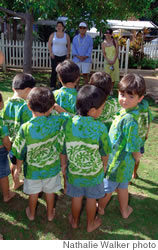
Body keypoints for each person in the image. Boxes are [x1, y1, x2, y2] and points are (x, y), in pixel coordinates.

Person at [61, 85, 111, 232]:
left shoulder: (69, 124)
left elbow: (63, 149)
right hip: (93, 172)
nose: (102, 111)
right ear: (93, 111)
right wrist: (104, 165)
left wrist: (63, 166)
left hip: (75, 170)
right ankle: (90, 224)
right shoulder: (100, 127)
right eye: (102, 108)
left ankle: (74, 222)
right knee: (91, 199)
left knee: (76, 198)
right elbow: (105, 150)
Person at [12, 87, 67, 221]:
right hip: (51, 168)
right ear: (50, 108)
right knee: (50, 192)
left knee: (33, 193)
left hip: (32, 170)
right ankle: (49, 214)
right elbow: (68, 117)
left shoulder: (25, 128)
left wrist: (18, 168)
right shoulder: (57, 121)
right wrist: (58, 108)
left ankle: (31, 214)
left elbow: (19, 150)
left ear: (29, 106)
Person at [98, 73, 145, 219]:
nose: (125, 99)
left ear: (140, 98)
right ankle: (125, 211)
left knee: (109, 187)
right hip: (123, 162)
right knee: (123, 186)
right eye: (122, 94)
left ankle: (100, 208)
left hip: (118, 162)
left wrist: (137, 155)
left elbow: (133, 143)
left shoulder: (130, 119)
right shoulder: (126, 112)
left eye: (131, 97)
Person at [1, 73, 36, 189]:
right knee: (26, 165)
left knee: (14, 163)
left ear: (13, 88)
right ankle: (29, 184)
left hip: (10, 144)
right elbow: (30, 127)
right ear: (28, 90)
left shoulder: (5, 104)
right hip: (23, 145)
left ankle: (15, 183)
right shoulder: (26, 107)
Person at [132, 95, 153, 179]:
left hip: (134, 137)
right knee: (137, 157)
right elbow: (149, 119)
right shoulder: (146, 104)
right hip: (141, 136)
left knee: (130, 157)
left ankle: (131, 175)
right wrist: (147, 133)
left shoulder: (132, 105)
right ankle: (134, 174)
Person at [0, 92, 15, 202]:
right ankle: (6, 195)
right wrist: (10, 149)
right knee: (3, 174)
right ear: (1, 104)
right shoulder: (1, 122)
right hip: (0, 152)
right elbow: (5, 140)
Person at [48, 21, 71, 90]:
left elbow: (69, 45)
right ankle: (53, 85)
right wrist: (51, 53)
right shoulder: (53, 35)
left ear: (63, 27)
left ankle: (62, 85)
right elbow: (49, 44)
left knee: (63, 71)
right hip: (54, 55)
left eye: (60, 26)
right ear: (56, 27)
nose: (59, 27)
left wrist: (68, 53)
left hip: (63, 55)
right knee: (54, 70)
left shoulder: (66, 36)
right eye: (58, 26)